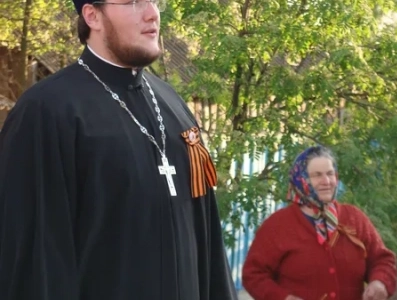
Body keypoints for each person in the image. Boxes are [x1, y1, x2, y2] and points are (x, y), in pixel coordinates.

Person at [0, 0, 238, 299]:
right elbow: (34, 258)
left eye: (154, 1)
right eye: (133, 2)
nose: (152, 13)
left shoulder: (174, 105)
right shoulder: (47, 112)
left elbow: (208, 240)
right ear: (92, 15)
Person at [242, 146, 397, 300]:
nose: (326, 181)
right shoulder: (278, 225)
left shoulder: (354, 218)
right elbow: (253, 274)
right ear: (301, 179)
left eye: (330, 174)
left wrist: (379, 282)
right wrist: (283, 298)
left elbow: (382, 259)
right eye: (317, 175)